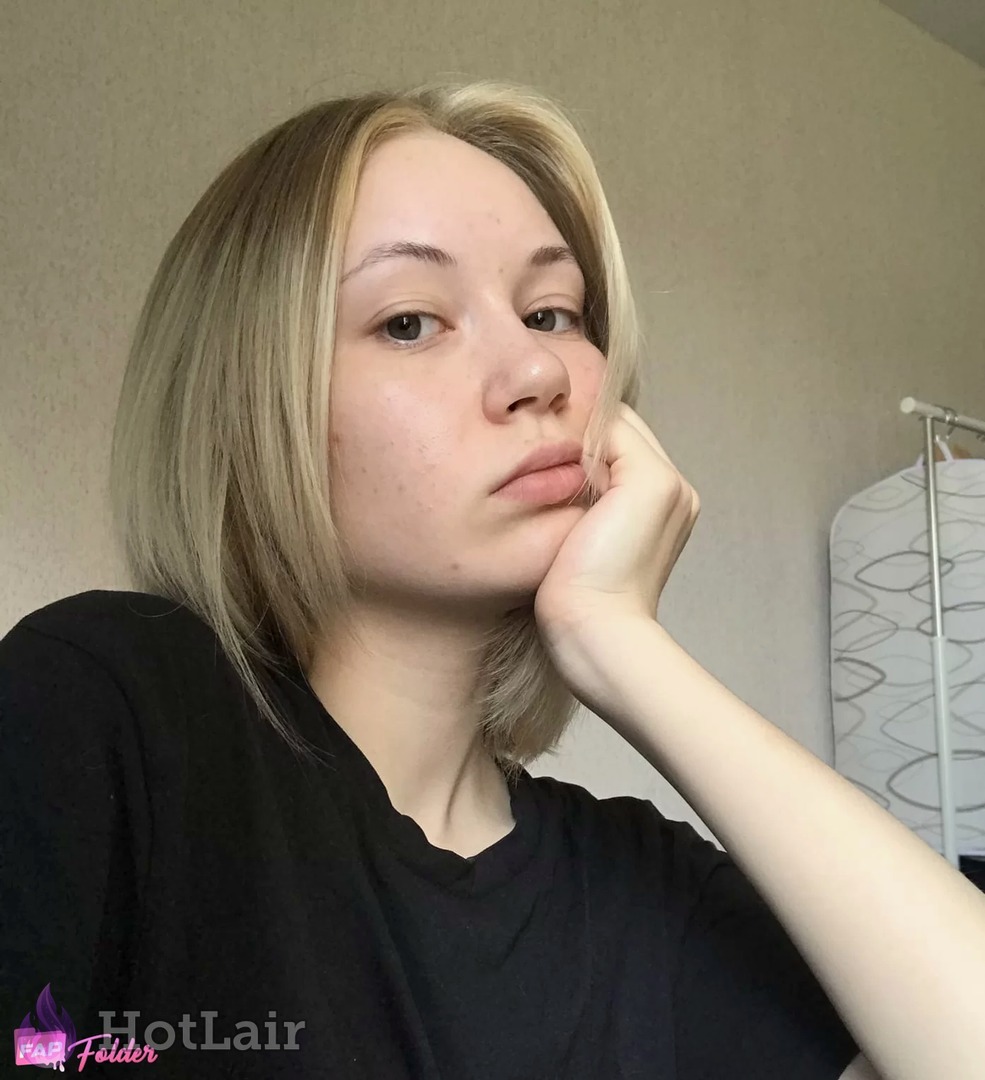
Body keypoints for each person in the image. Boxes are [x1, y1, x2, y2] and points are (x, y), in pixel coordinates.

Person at [3, 80, 982, 1080]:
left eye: (553, 312)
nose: (538, 373)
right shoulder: (106, 710)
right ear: (250, 402)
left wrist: (622, 643)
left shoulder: (640, 889)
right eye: (410, 323)